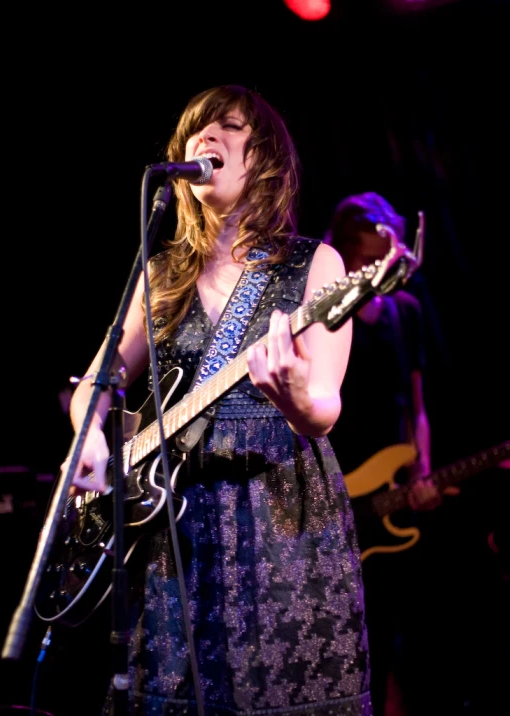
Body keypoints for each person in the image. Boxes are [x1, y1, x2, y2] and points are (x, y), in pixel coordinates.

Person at [63, 85, 372, 715]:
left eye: (228, 127)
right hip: (172, 526)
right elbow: (96, 387)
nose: (207, 137)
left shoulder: (315, 265)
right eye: (196, 129)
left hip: (279, 517)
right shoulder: (162, 272)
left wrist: (289, 397)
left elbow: (324, 409)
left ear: (264, 159)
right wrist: (91, 441)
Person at [323, 192, 457, 716]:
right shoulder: (328, 310)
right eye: (373, 251)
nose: (388, 257)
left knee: (387, 636)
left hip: (387, 497)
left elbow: (416, 405)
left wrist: (420, 470)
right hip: (333, 492)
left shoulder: (407, 312)